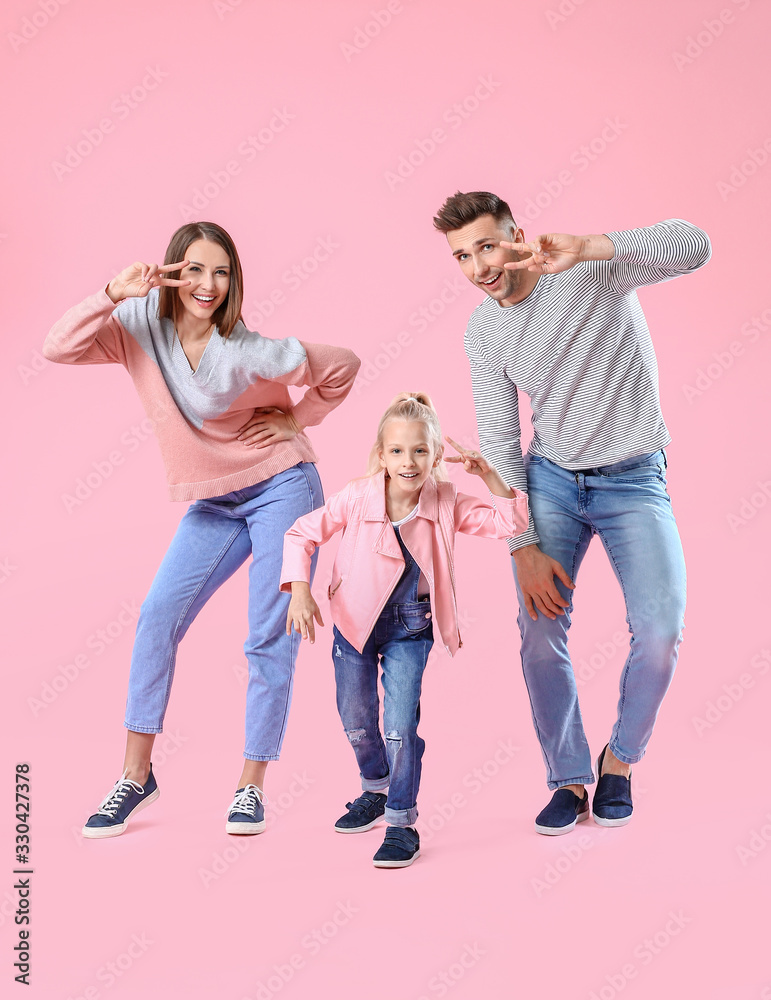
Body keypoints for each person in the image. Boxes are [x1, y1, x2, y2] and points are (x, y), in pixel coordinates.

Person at [43, 221, 360, 838]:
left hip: (281, 488)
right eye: (194, 269)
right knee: (158, 616)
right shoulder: (139, 328)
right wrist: (112, 292)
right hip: (214, 503)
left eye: (221, 272)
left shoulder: (251, 349)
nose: (208, 284)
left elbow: (343, 366)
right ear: (172, 271)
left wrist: (298, 418)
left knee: (267, 635)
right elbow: (58, 346)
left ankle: (250, 784)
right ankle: (136, 778)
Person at [433, 191, 711, 835]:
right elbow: (500, 440)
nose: (479, 267)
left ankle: (620, 760)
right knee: (538, 634)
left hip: (635, 480)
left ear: (516, 234)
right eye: (462, 256)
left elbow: (692, 243)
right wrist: (520, 543)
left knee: (661, 633)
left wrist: (592, 245)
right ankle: (568, 776)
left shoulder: (591, 270)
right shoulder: (484, 328)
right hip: (551, 482)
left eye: (487, 245)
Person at [279, 392, 529, 867]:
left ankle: (400, 820)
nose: (408, 461)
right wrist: (299, 589)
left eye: (419, 451)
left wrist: (490, 475)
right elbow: (302, 533)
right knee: (356, 721)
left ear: (435, 456)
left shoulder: (444, 500)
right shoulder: (357, 496)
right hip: (353, 625)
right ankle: (375, 786)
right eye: (396, 451)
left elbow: (508, 522)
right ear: (381, 454)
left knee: (399, 726)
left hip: (409, 629)